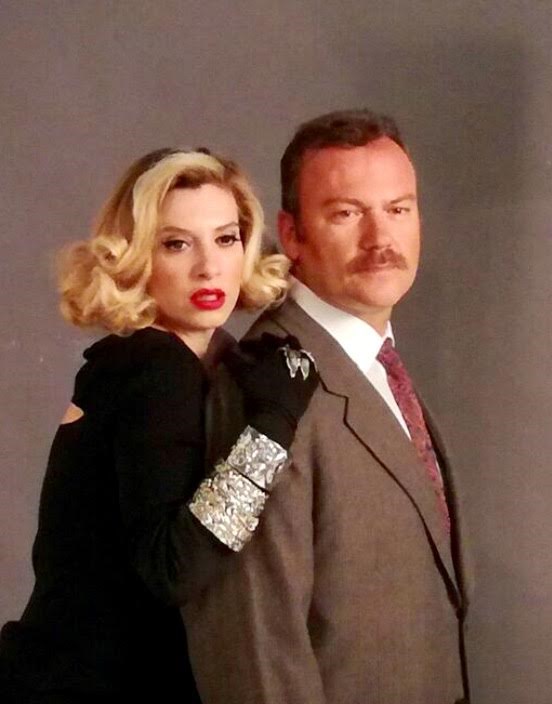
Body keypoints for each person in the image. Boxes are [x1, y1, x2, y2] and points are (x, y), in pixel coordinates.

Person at [0, 148, 318, 703]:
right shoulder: (155, 367)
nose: (208, 267)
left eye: (226, 238)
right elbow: (173, 569)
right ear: (137, 257)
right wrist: (274, 422)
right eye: (176, 244)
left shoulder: (158, 362)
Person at [183, 110, 471, 704]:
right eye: (346, 213)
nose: (380, 239)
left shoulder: (376, 364)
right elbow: (255, 652)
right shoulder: (264, 385)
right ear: (291, 235)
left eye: (399, 209)